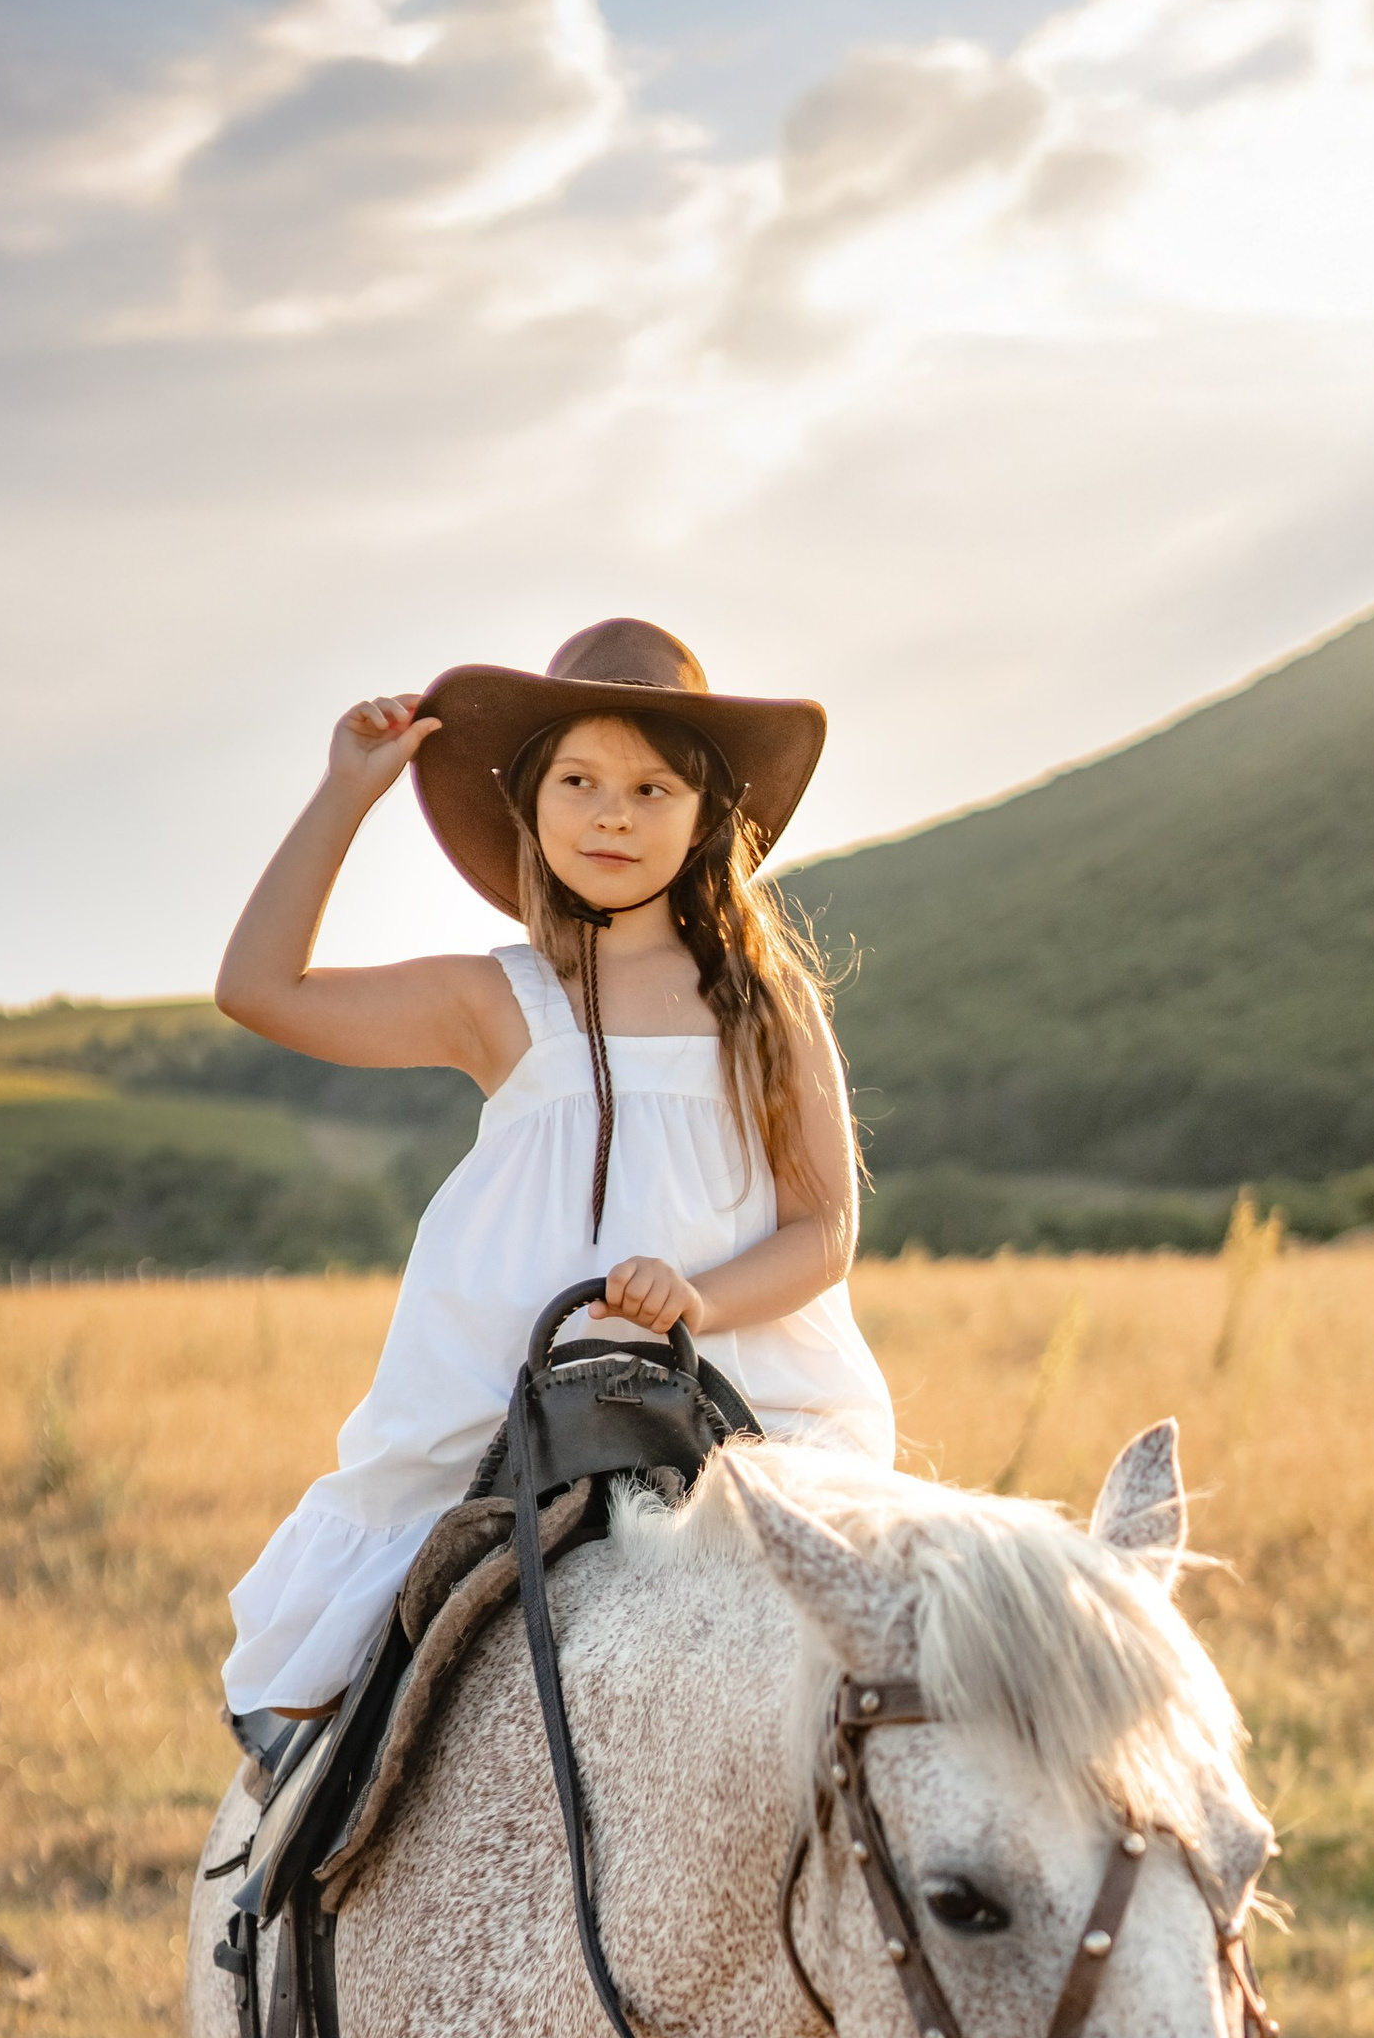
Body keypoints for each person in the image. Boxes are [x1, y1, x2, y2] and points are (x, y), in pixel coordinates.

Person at [213, 618, 897, 1767]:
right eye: (578, 782)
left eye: (650, 787)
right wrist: (347, 794)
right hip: (510, 1394)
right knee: (383, 1686)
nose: (612, 815)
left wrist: (699, 1298)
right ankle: (308, 1845)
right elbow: (258, 988)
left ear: (705, 815)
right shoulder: (497, 999)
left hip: (740, 1390)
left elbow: (824, 1226)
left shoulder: (762, 1003)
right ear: (529, 806)